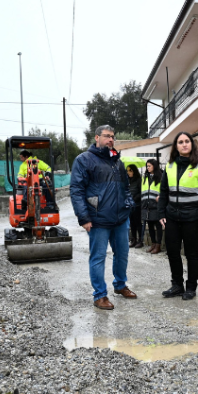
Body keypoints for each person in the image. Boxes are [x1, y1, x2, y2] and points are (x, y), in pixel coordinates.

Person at [70, 125, 137, 310]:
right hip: (98, 219)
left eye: (112, 137)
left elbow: (125, 187)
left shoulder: (117, 161)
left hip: (120, 219)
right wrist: (83, 217)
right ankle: (100, 295)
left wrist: (129, 204)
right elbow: (76, 190)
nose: (110, 140)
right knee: (98, 257)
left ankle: (120, 285)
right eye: (107, 136)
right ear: (97, 137)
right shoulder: (84, 160)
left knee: (122, 254)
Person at [158, 132, 198, 300]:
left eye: (187, 141)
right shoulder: (169, 166)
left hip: (193, 218)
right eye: (180, 142)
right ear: (176, 146)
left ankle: (191, 287)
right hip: (172, 217)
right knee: (173, 252)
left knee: (191, 254)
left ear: (192, 144)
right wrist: (161, 213)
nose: (184, 144)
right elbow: (164, 191)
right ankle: (177, 285)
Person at [141, 159, 163, 254]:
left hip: (156, 205)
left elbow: (165, 190)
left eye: (149, 166)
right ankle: (153, 244)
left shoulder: (161, 177)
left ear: (154, 166)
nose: (147, 168)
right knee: (150, 226)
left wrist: (161, 197)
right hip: (147, 205)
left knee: (158, 226)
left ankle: (158, 246)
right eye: (147, 166)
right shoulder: (145, 177)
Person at [126, 164, 143, 248]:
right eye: (127, 171)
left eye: (130, 170)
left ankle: (140, 240)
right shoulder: (127, 180)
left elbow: (141, 192)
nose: (128, 172)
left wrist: (134, 198)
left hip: (137, 205)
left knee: (138, 223)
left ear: (134, 171)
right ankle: (134, 239)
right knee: (132, 223)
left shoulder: (139, 180)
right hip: (129, 205)